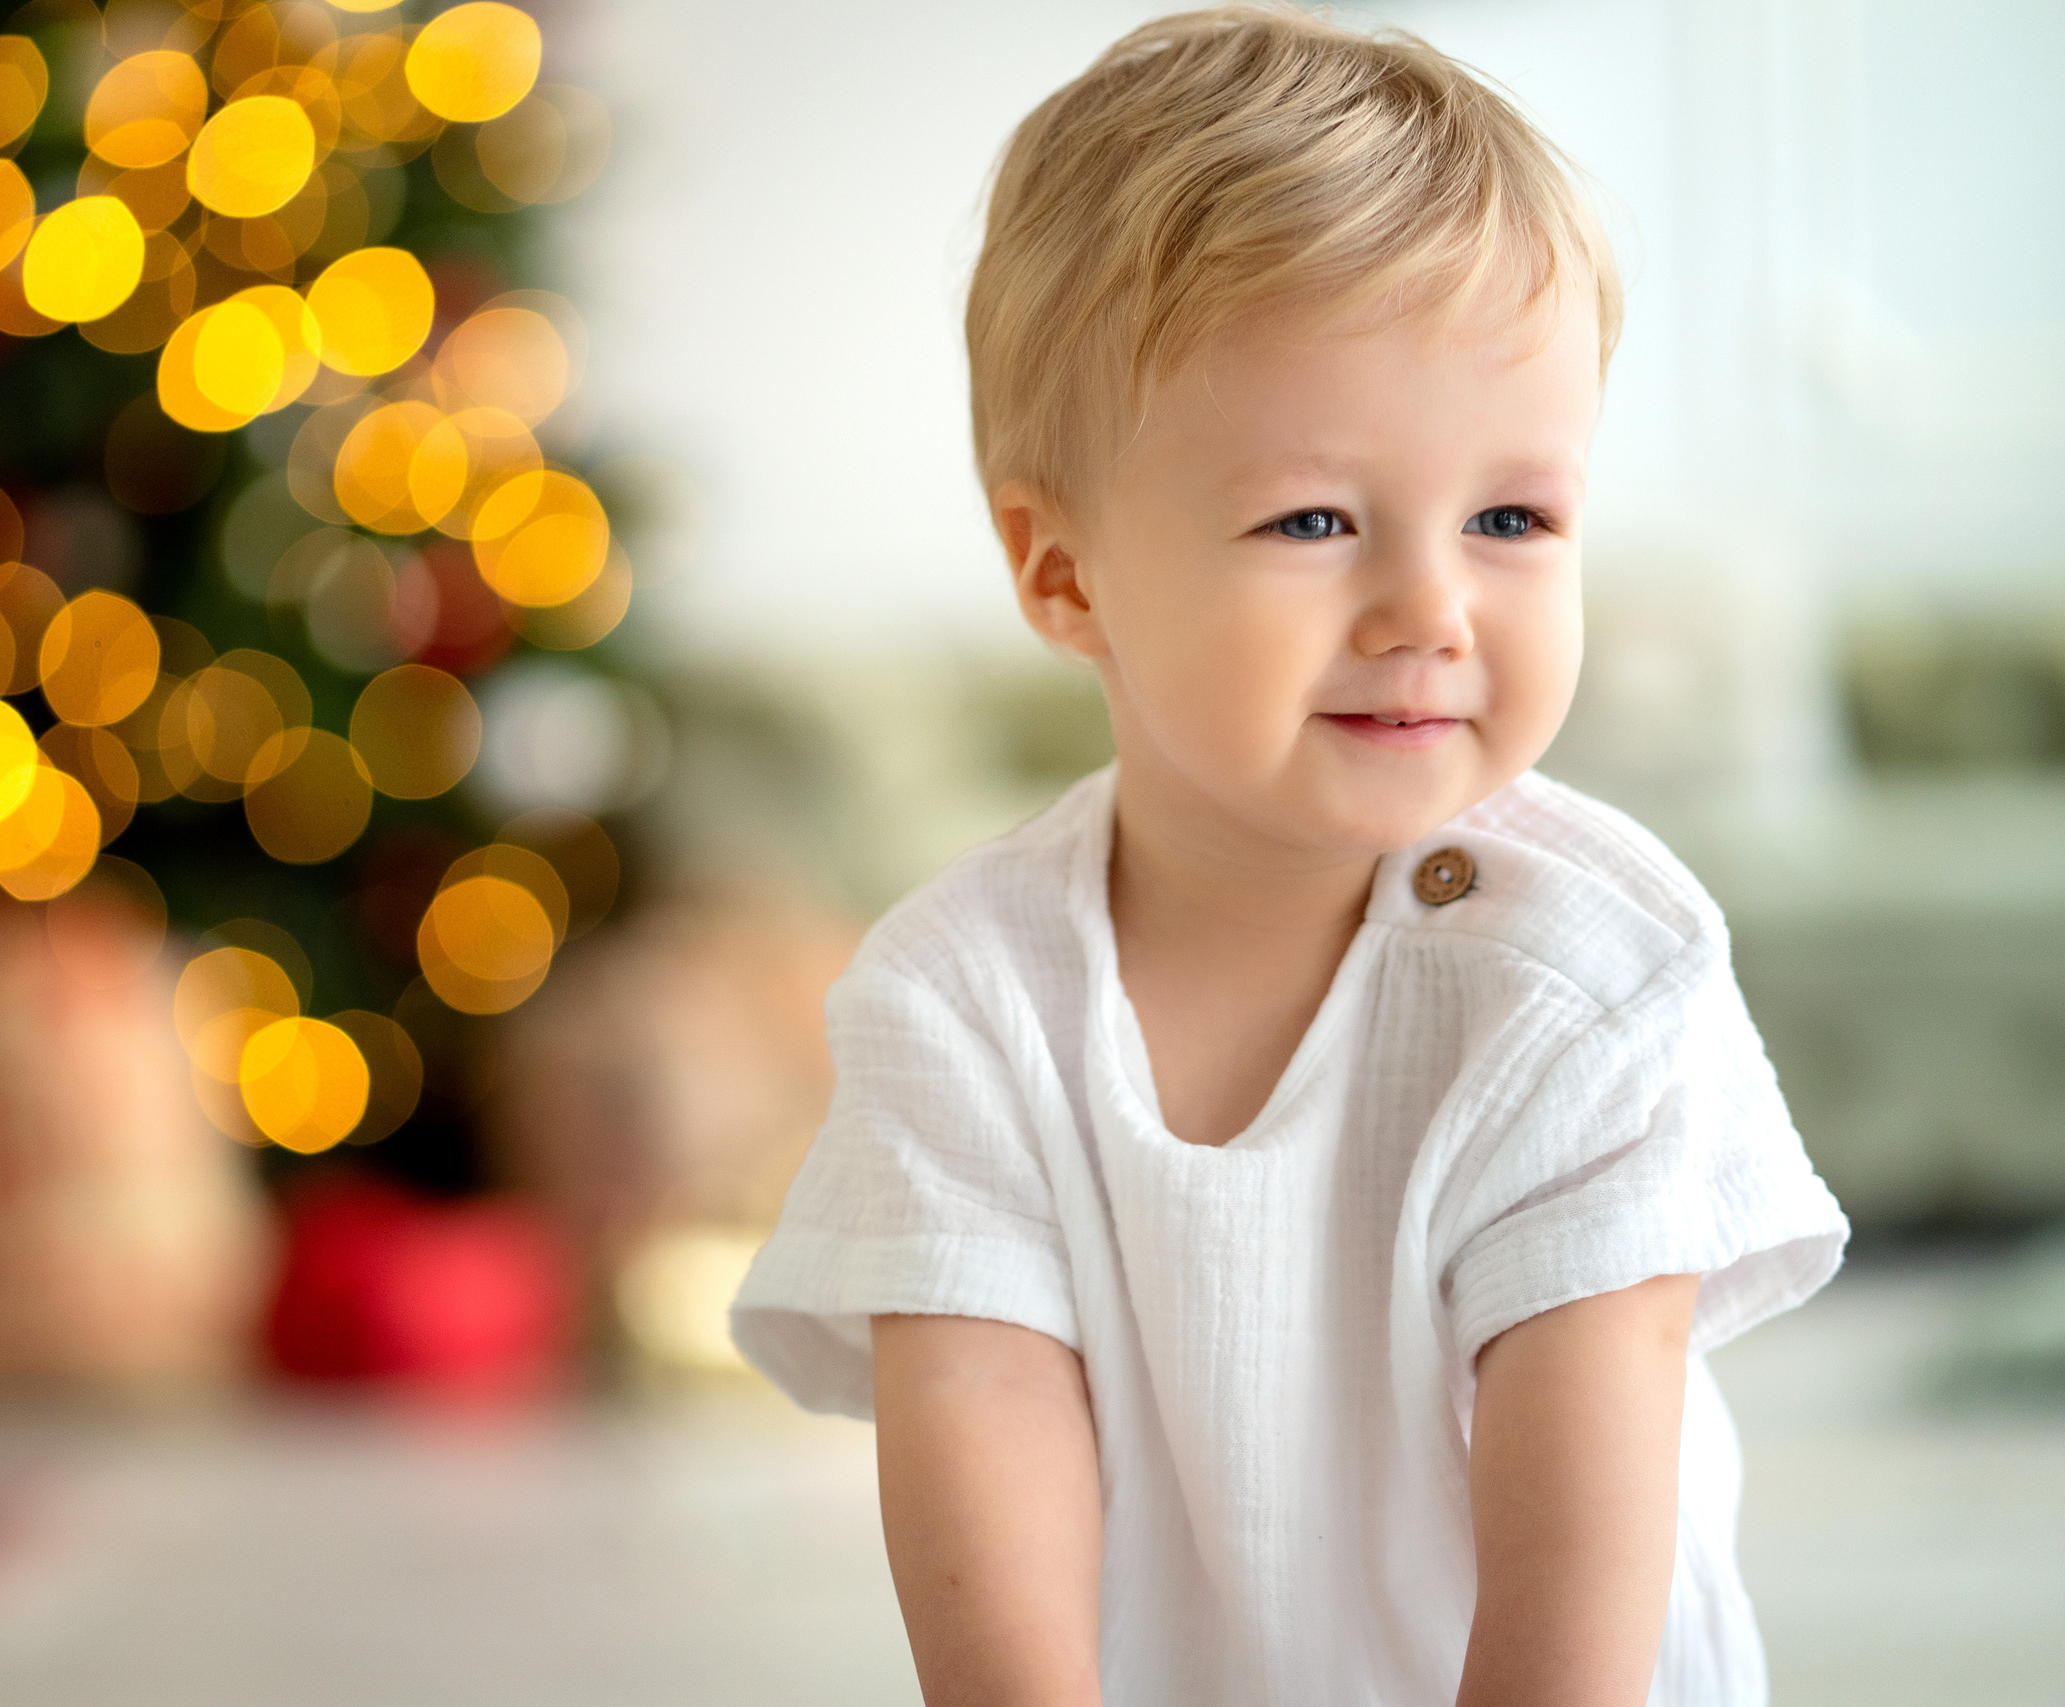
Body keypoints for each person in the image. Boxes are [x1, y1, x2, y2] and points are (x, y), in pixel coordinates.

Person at [725, 8, 1850, 1705]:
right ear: (1065, 574)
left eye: (1512, 518)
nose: (1431, 609)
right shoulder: (962, 996)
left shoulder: (1594, 975)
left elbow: (1582, 1514)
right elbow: (980, 1413)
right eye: (1314, 521)